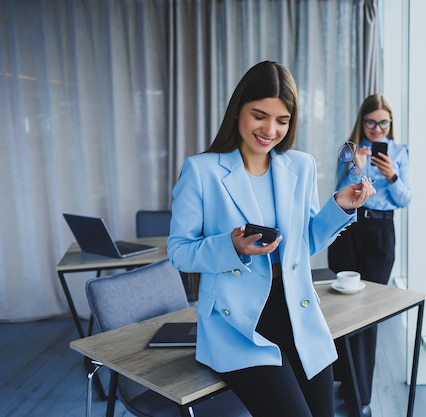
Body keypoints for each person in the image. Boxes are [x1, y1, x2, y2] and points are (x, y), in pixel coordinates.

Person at [167, 61, 376, 417]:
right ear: (237, 113)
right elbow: (179, 252)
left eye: (282, 120)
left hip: (297, 309)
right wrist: (230, 247)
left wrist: (338, 207)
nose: (270, 129)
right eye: (259, 115)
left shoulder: (301, 166)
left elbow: (304, 245)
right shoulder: (201, 170)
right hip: (236, 322)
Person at [327, 93, 411, 417]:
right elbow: (340, 193)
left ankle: (361, 397)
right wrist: (356, 169)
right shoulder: (349, 150)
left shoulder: (400, 152)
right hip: (349, 229)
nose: (377, 128)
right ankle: (342, 382)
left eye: (383, 122)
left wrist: (391, 175)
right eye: (371, 122)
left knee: (368, 314)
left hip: (379, 234)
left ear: (391, 123)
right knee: (344, 308)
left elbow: (405, 198)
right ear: (362, 121)